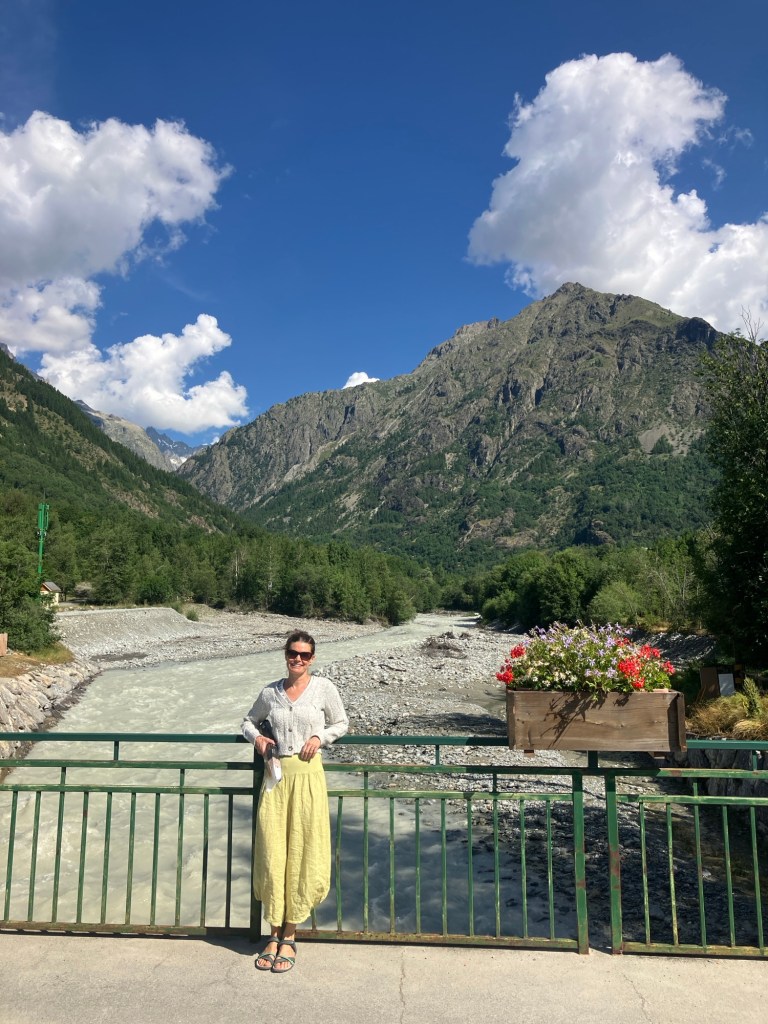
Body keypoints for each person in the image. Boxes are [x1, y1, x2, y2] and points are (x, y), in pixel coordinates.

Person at [242, 630, 348, 974]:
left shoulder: (324, 688)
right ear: (286, 655)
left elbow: (341, 722)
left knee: (303, 852)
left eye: (304, 655)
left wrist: (320, 736)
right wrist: (258, 738)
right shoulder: (270, 692)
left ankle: (289, 935)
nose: (298, 659)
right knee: (273, 853)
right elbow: (248, 721)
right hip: (276, 780)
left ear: (312, 659)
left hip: (308, 778)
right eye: (293, 653)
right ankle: (272, 934)